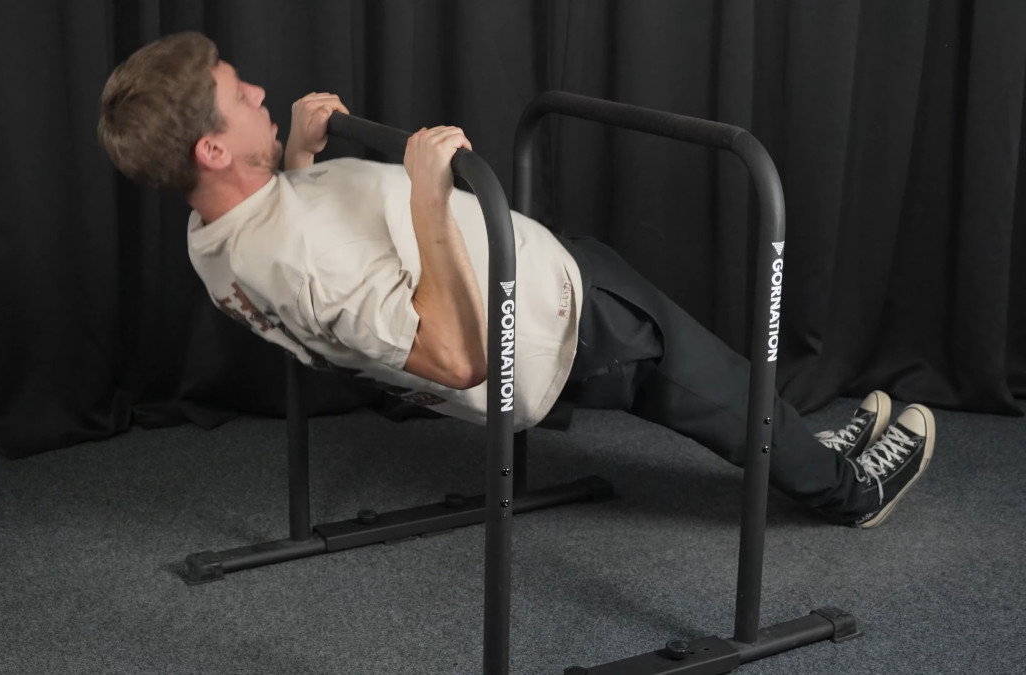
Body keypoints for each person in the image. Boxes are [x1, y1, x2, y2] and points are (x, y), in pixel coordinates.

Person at [96, 32, 935, 528]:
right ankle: (846, 492)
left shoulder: (214, 236)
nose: (258, 89)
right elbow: (457, 355)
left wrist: (301, 159)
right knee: (711, 382)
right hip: (550, 323)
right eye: (239, 96)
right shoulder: (296, 255)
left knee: (709, 390)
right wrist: (428, 195)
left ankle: (799, 447)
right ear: (212, 148)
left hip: (534, 285)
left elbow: (303, 280)